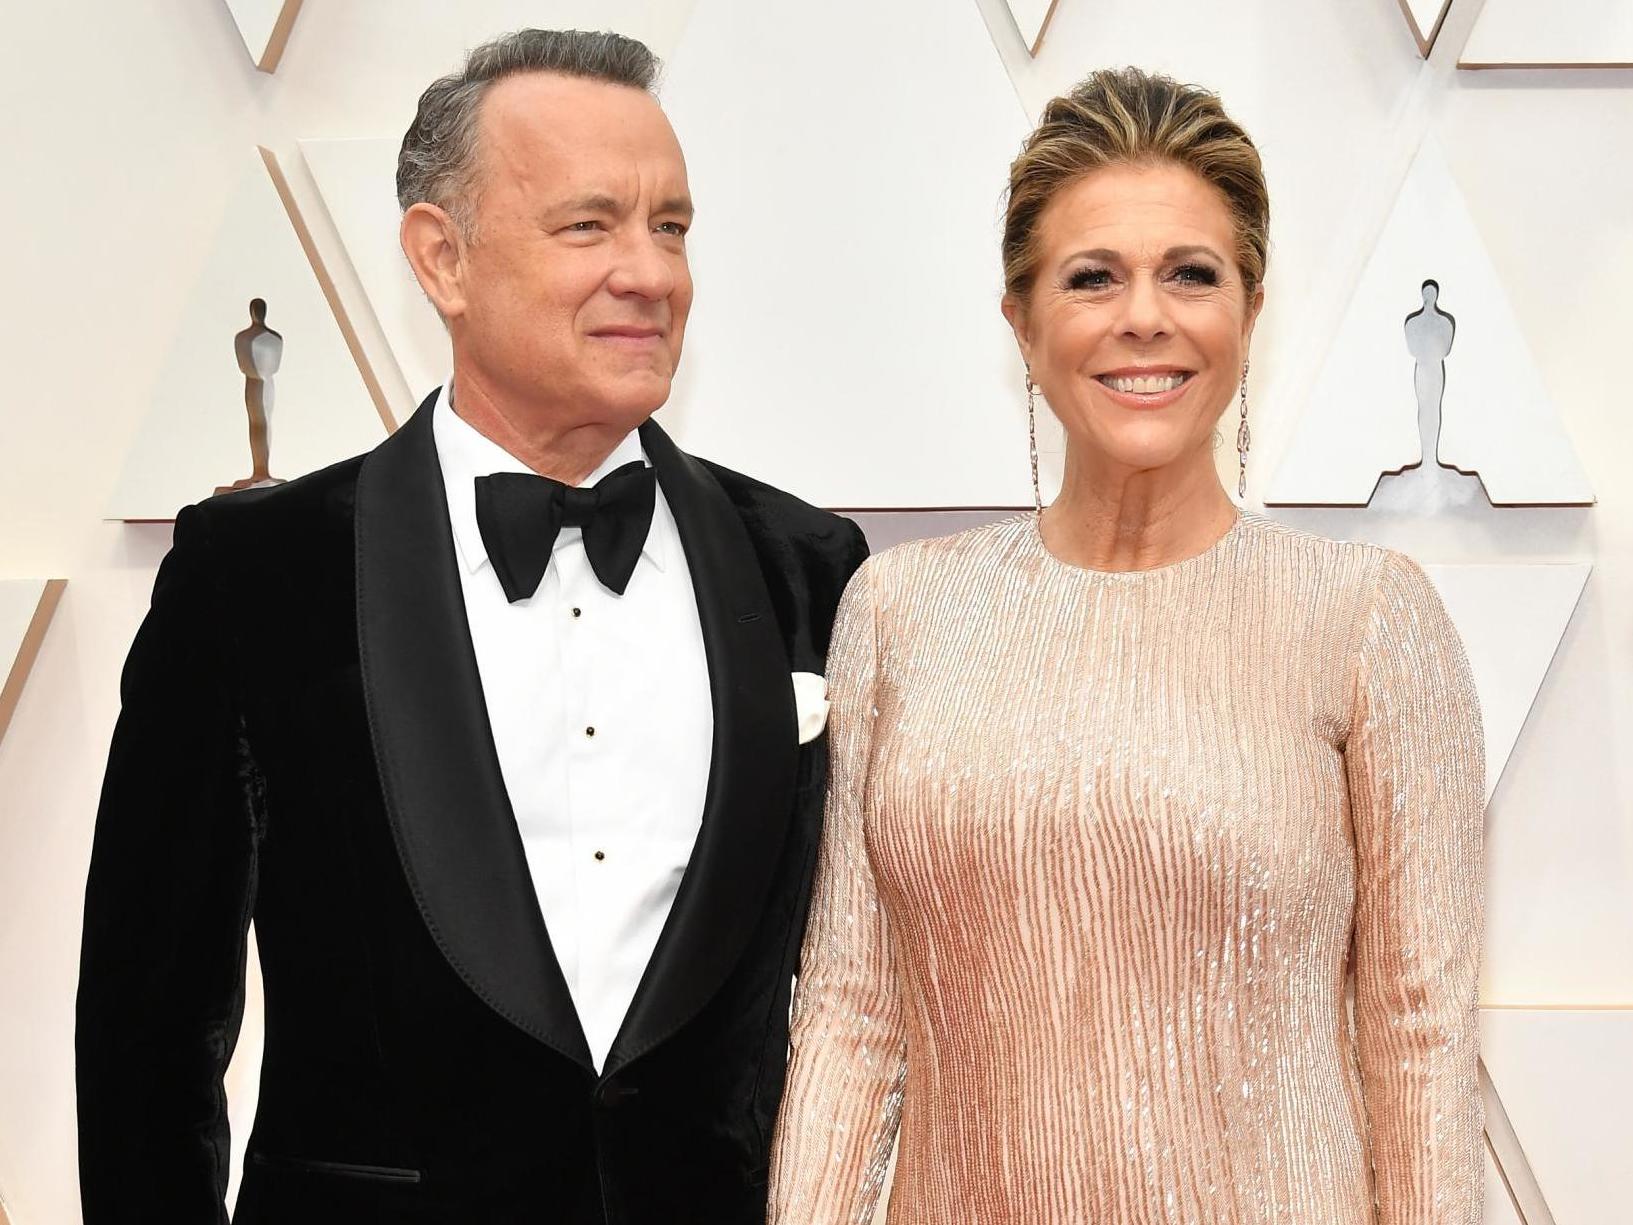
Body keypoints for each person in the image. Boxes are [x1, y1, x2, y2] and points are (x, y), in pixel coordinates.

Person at [76, 29, 866, 1225]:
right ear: (440, 258)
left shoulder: (809, 567)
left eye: (672, 227)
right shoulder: (255, 577)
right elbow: (148, 1041)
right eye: (589, 225)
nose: (650, 273)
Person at [768, 67, 1484, 1224]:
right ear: (1022, 320)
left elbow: (1418, 1033)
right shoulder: (898, 610)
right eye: (1091, 276)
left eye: (1190, 275)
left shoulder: (1365, 619)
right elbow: (854, 1016)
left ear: (1248, 311)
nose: (1142, 316)